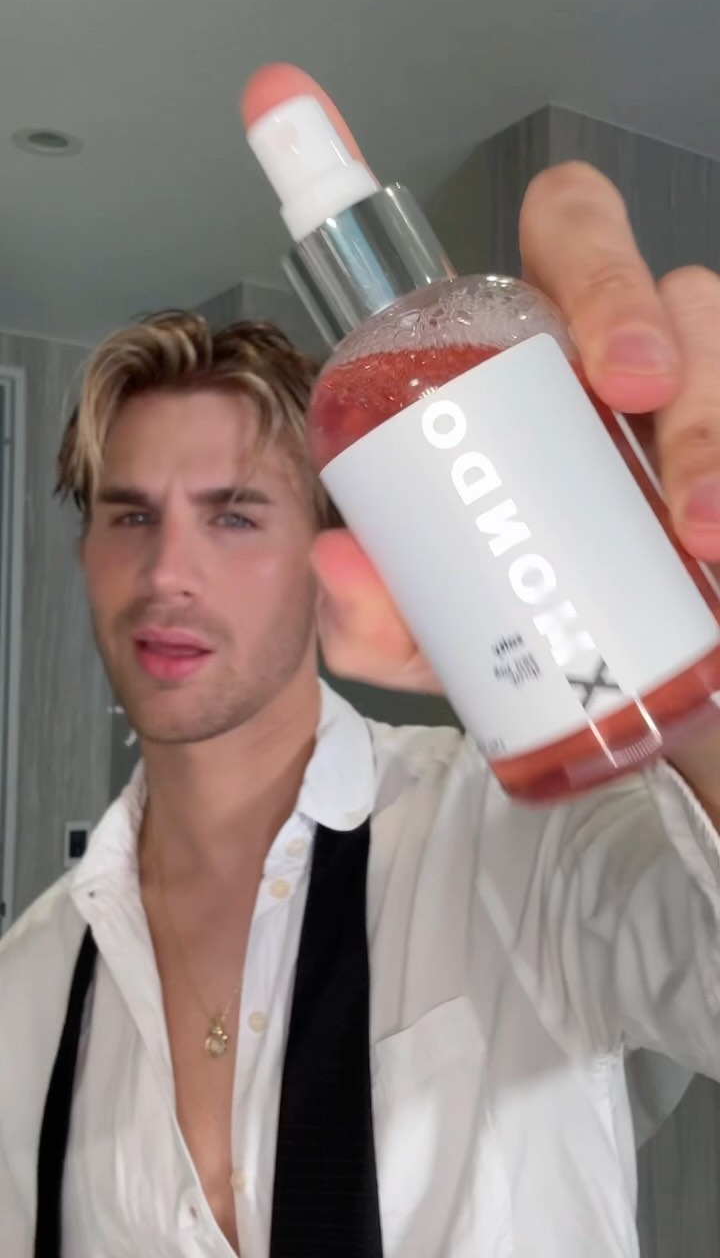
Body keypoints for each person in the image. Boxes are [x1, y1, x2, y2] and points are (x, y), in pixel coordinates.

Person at [2, 159, 720, 1258]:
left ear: (326, 551)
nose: (167, 573)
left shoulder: (524, 833)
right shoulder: (30, 978)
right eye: (130, 516)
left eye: (234, 516)